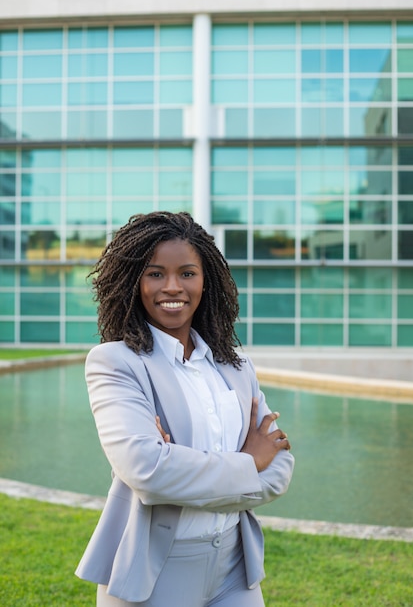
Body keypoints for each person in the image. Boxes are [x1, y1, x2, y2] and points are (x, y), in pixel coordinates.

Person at [76, 211, 294, 607]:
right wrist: (248, 462)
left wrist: (180, 472)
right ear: (133, 282)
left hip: (234, 569)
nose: (172, 287)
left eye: (187, 273)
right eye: (155, 273)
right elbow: (148, 470)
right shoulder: (116, 362)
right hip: (152, 572)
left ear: (206, 280)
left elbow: (279, 469)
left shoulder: (237, 366)